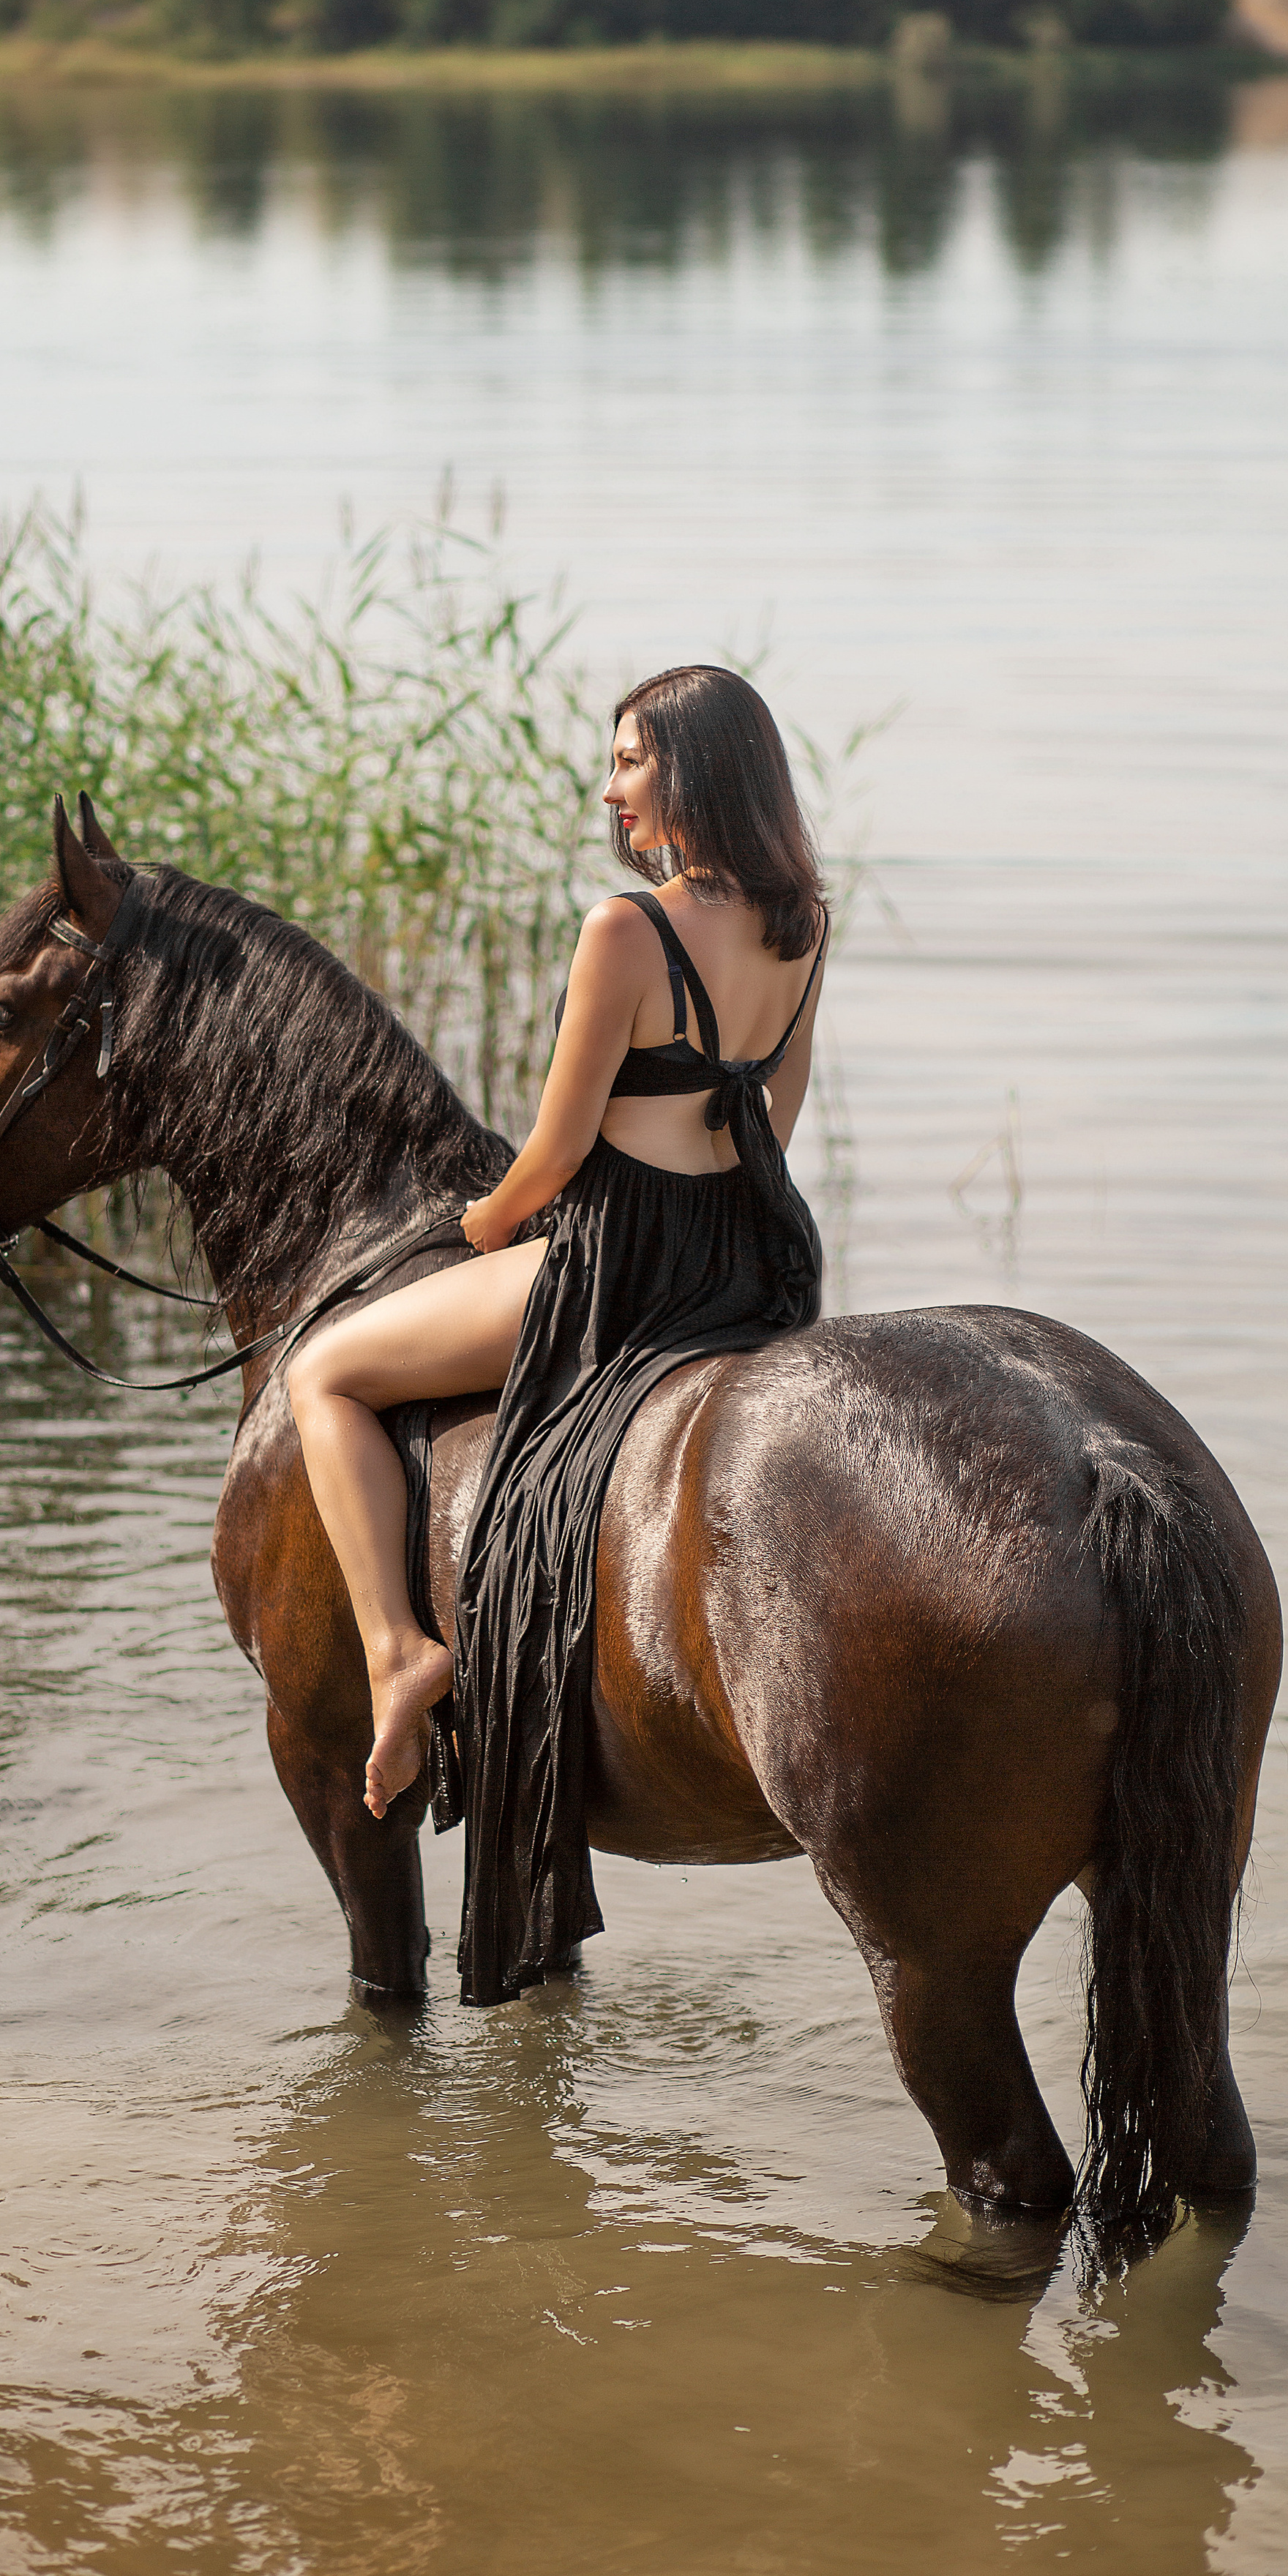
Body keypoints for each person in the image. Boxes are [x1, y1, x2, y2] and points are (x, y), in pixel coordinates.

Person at [288, 663, 829, 2002]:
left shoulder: (625, 932)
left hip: (613, 1273)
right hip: (746, 1266)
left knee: (327, 1371)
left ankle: (398, 1651)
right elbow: (778, 1121)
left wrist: (483, 1226)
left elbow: (551, 1154)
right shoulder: (803, 924)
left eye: (632, 759)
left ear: (694, 772)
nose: (610, 786)